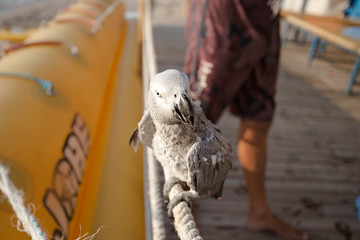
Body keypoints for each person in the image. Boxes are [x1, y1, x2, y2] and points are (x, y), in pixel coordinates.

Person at [183, 0, 309, 239]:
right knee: (196, 116)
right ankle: (182, 201)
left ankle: (259, 212)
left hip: (266, 12)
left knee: (259, 117)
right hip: (223, 10)